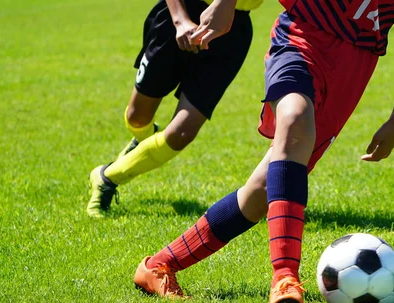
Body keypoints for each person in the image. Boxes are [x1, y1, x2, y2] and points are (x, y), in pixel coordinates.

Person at [133, 0, 394, 303]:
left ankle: (160, 265)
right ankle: (284, 279)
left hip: (351, 72)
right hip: (300, 39)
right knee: (295, 118)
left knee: (260, 193)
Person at [86, 0, 262, 217]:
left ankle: (106, 177)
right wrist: (180, 21)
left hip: (232, 30)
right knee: (137, 117)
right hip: (181, 14)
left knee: (182, 132)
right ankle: (144, 141)